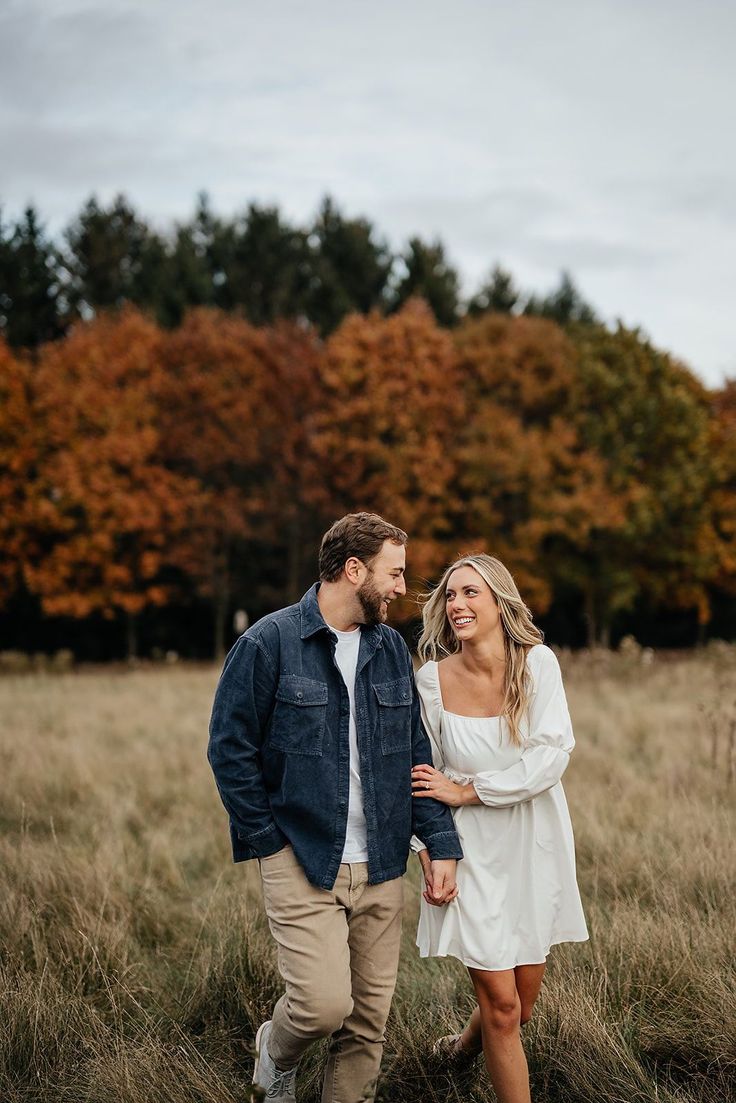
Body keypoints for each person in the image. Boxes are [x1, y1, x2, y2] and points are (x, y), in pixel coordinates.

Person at [207, 513, 463, 1103]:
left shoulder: (390, 649)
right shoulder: (268, 643)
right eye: (394, 574)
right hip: (303, 857)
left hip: (381, 863)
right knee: (323, 1007)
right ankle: (276, 1050)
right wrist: (268, 840)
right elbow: (229, 749)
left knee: (367, 1023)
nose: (403, 588)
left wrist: (439, 844)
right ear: (354, 571)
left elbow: (414, 756)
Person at [410, 554, 588, 1103]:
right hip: (470, 851)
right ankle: (485, 1045)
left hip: (535, 841)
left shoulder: (537, 665)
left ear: (498, 602)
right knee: (504, 1008)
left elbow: (551, 755)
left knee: (522, 1003)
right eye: (450, 595)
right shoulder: (431, 682)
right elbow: (420, 777)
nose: (457, 605)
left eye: (470, 594)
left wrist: (473, 789)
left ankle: (462, 1051)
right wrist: (430, 852)